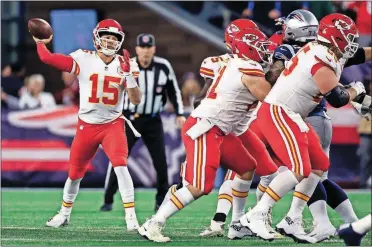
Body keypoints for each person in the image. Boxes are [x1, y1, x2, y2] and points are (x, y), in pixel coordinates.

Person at [138, 27, 275, 243]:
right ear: (247, 49)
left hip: (219, 129)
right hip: (206, 127)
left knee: (247, 167)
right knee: (200, 186)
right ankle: (154, 223)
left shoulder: (237, 63)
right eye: (260, 48)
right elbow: (272, 97)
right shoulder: (248, 70)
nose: (265, 52)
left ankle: (237, 223)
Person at [239, 13, 367, 241]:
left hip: (293, 114)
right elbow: (338, 98)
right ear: (335, 38)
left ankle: (303, 222)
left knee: (319, 165)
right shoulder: (321, 58)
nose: (351, 42)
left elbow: (358, 55)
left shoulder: (326, 51)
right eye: (346, 37)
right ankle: (257, 214)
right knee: (299, 167)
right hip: (280, 111)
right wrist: (356, 90)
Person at [32, 19, 142, 232]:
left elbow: (136, 100)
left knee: (120, 165)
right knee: (74, 174)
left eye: (114, 38)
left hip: (113, 123)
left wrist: (129, 75)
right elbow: (48, 58)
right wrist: (40, 41)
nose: (110, 42)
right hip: (87, 125)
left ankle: (131, 217)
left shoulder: (127, 63)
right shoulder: (83, 57)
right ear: (97, 37)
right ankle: (64, 214)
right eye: (106, 37)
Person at [100, 33, 186, 212]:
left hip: (153, 119)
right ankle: (108, 199)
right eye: (142, 47)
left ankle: (160, 200)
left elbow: (173, 91)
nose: (146, 51)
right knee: (119, 159)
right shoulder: (126, 65)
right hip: (130, 119)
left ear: (153, 49)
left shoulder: (163, 66)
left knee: (161, 161)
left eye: (149, 47)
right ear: (137, 49)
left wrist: (179, 113)